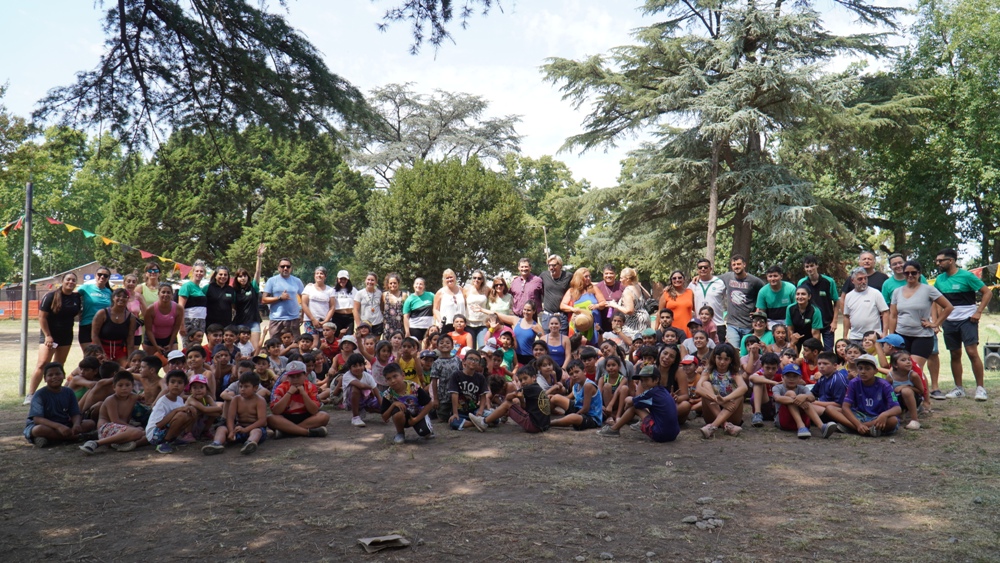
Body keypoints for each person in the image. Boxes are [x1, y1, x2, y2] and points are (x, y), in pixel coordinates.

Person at [934, 248, 993, 401]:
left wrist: (978, 312)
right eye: (937, 261)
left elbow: (987, 292)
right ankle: (959, 388)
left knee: (972, 352)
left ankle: (980, 388)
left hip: (968, 319)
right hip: (949, 321)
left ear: (950, 261)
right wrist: (937, 321)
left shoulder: (967, 276)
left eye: (941, 260)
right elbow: (936, 301)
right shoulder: (940, 279)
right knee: (954, 353)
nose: (938, 263)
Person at [886, 260, 953, 376]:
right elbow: (893, 315)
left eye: (914, 273)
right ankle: (902, 393)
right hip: (901, 335)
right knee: (899, 368)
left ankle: (921, 393)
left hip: (922, 336)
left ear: (919, 273)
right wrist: (891, 335)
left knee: (914, 369)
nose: (910, 276)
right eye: (907, 273)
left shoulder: (928, 290)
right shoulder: (897, 292)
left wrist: (935, 323)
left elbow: (948, 307)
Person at [27, 273, 82, 405]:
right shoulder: (51, 296)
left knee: (58, 366)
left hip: (66, 336)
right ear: (62, 281)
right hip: (50, 336)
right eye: (68, 279)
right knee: (42, 364)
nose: (71, 282)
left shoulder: (76, 297)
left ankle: (54, 394)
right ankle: (31, 394)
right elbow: (42, 317)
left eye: (73, 280)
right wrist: (48, 335)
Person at [597, 365, 680, 442]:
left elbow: (629, 400)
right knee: (640, 405)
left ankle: (614, 429)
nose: (643, 383)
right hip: (673, 434)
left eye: (646, 380)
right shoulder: (662, 390)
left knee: (634, 407)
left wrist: (629, 404)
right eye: (642, 380)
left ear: (656, 380)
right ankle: (641, 423)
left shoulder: (651, 393)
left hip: (660, 434)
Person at [25, 362, 96, 448]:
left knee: (90, 423)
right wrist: (59, 427)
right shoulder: (39, 394)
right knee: (38, 430)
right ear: (45, 379)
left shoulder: (68, 392)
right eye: (50, 375)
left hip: (64, 422)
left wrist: (76, 424)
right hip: (47, 425)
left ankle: (51, 439)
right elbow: (37, 419)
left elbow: (75, 413)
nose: (54, 377)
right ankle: (74, 437)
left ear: (64, 375)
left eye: (58, 374)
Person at [469, 365, 551, 434]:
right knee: (512, 403)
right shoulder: (537, 388)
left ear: (534, 378)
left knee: (507, 404)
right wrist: (522, 399)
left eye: (525, 378)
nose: (522, 382)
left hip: (534, 426)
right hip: (543, 426)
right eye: (521, 380)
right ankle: (492, 419)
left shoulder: (529, 388)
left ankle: (483, 422)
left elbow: (508, 397)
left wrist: (513, 398)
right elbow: (524, 407)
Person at [834, 354, 901, 436]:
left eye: (867, 369)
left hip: (877, 417)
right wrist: (858, 424)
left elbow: (897, 408)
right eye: (860, 368)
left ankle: (851, 428)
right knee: (831, 409)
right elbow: (845, 406)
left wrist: (884, 414)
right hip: (859, 415)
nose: (863, 371)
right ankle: (864, 429)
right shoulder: (853, 383)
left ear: (875, 371)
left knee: (893, 420)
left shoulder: (885, 385)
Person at [203, 370, 268, 455]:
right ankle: (217, 443)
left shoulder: (260, 400)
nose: (242, 389)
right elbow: (230, 417)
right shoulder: (236, 399)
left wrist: (246, 429)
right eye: (241, 386)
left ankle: (249, 443)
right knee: (221, 428)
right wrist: (231, 431)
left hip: (253, 428)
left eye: (246, 386)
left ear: (255, 388)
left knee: (257, 431)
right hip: (239, 428)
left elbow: (262, 421)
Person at [80, 371, 146, 454]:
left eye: (127, 385)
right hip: (107, 428)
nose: (124, 388)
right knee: (138, 432)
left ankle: (128, 444)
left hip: (123, 429)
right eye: (120, 385)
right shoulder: (111, 400)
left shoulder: (133, 397)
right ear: (114, 387)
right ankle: (96, 443)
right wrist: (134, 428)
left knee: (148, 434)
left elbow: (145, 400)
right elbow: (115, 420)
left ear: (132, 386)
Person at [771, 364, 837, 439]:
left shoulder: (802, 388)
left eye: (795, 376)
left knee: (806, 398)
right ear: (782, 377)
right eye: (788, 376)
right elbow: (777, 398)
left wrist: (804, 397)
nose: (791, 379)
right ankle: (800, 426)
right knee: (790, 393)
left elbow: (812, 398)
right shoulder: (777, 387)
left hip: (803, 420)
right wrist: (797, 400)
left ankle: (821, 427)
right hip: (784, 421)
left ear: (800, 378)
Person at [267, 362, 330, 438]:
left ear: (305, 375)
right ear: (287, 377)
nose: (295, 380)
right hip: (286, 417)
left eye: (298, 376)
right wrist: (289, 393)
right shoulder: (281, 388)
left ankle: (287, 432)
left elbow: (314, 411)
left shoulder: (311, 387)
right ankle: (307, 432)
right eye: (292, 377)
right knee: (270, 419)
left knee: (324, 416)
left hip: (306, 417)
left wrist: (303, 393)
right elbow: (276, 411)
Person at [697, 343, 746, 438]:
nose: (722, 362)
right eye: (719, 358)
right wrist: (716, 399)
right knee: (706, 385)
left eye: (726, 359)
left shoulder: (734, 372)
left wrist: (725, 400)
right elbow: (698, 389)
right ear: (714, 358)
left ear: (731, 360)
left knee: (739, 394)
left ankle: (713, 426)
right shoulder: (708, 371)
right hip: (712, 412)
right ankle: (725, 425)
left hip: (731, 413)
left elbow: (744, 387)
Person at [381, 363, 435, 443]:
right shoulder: (388, 394)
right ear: (386, 381)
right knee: (397, 413)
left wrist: (416, 419)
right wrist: (393, 404)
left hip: (418, 414)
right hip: (403, 417)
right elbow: (384, 417)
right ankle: (400, 433)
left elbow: (429, 404)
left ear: (403, 375)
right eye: (389, 379)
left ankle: (425, 426)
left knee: (425, 433)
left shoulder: (414, 387)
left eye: (395, 376)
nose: (393, 381)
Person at [145, 370, 197, 454]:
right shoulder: (162, 401)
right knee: (181, 415)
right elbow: (159, 424)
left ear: (184, 386)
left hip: (164, 431)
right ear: (168, 385)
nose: (176, 385)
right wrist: (176, 410)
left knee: (190, 414)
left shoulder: (179, 399)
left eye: (180, 382)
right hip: (155, 435)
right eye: (172, 382)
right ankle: (164, 443)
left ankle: (173, 439)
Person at [720, 254, 765, 349]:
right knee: (733, 351)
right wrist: (698, 277)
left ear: (744, 264)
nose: (736, 266)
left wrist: (758, 311)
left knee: (749, 352)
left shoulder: (754, 281)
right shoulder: (727, 277)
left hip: (749, 325)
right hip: (732, 324)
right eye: (734, 264)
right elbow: (712, 279)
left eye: (739, 264)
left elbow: (765, 293)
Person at [797, 255, 839, 351]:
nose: (810, 269)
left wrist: (834, 321)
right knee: (811, 351)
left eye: (812, 266)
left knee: (828, 351)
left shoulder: (829, 281)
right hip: (810, 324)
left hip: (827, 323)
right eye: (807, 267)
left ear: (817, 266)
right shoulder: (801, 283)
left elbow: (836, 302)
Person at [549, 359, 604, 430]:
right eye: (571, 374)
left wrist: (574, 415)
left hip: (591, 417)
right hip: (579, 409)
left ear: (584, 372)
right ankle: (543, 416)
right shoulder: (576, 385)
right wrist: (552, 396)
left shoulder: (588, 385)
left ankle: (549, 423)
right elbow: (568, 397)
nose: (574, 375)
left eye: (577, 372)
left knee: (573, 417)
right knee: (555, 398)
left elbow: (585, 409)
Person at [841, 267, 889, 345]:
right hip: (855, 337)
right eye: (860, 279)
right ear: (852, 281)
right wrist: (845, 336)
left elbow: (885, 312)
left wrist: (885, 333)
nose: (864, 281)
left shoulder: (875, 293)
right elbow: (846, 317)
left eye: (865, 278)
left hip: (873, 337)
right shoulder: (849, 296)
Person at [91, 288, 138, 366]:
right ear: (113, 298)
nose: (121, 298)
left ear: (127, 299)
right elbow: (94, 335)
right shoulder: (102, 313)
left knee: (126, 369)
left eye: (124, 297)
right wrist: (103, 354)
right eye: (118, 296)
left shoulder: (131, 317)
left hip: (120, 349)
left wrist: (130, 359)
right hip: (101, 348)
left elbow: (130, 339)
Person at [232, 244, 266, 352]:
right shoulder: (234, 292)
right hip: (240, 322)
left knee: (255, 348)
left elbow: (258, 272)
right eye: (240, 276)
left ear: (248, 277)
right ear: (236, 278)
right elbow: (233, 307)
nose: (243, 278)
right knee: (240, 349)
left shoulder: (253, 287)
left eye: (245, 276)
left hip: (253, 321)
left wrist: (259, 257)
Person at [560, 267, 606, 345]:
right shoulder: (571, 291)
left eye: (589, 276)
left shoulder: (594, 288)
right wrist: (572, 309)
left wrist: (596, 306)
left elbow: (603, 303)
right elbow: (562, 306)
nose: (588, 278)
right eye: (586, 276)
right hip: (579, 323)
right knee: (578, 345)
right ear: (579, 278)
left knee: (595, 345)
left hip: (594, 323)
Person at [262, 257, 305, 338]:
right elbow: (264, 300)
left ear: (291, 268)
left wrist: (302, 315)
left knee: (294, 346)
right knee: (274, 347)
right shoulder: (272, 281)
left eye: (288, 266)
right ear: (278, 268)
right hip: (276, 319)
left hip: (293, 319)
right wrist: (279, 298)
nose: (285, 268)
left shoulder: (297, 281)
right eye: (282, 266)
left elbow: (304, 299)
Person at [447, 350, 490, 431]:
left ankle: (477, 421)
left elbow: (483, 396)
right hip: (460, 412)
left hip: (474, 411)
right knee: (453, 422)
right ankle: (478, 423)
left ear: (479, 364)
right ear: (464, 361)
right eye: (470, 358)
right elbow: (454, 395)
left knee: (494, 417)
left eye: (476, 360)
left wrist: (480, 412)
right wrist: (455, 413)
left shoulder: (480, 378)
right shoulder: (456, 375)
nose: (473, 362)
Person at [689, 259, 727, 343]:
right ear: (697, 270)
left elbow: (729, 299)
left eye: (705, 267)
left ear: (710, 269)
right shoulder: (693, 284)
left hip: (717, 324)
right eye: (700, 267)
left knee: (718, 352)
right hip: (700, 325)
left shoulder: (719, 283)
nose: (703, 269)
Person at [78, 265, 113, 352]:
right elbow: (71, 297)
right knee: (89, 355)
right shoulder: (85, 288)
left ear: (108, 278)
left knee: (101, 355)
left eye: (105, 275)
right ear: (95, 275)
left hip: (104, 327)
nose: (102, 277)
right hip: (87, 325)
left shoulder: (110, 292)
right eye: (100, 274)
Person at [886, 350, 924, 430]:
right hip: (896, 399)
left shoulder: (913, 375)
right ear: (895, 365)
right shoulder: (890, 376)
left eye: (909, 359)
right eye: (903, 360)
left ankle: (914, 419)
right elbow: (887, 391)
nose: (908, 362)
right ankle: (899, 413)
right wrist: (893, 394)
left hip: (914, 398)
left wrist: (906, 387)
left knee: (906, 391)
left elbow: (921, 391)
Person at [342, 353, 381, 427]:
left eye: (360, 365)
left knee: (384, 404)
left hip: (366, 400)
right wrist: (370, 388)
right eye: (354, 366)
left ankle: (366, 409)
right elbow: (361, 385)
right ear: (350, 368)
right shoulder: (347, 376)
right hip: (350, 402)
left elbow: (377, 392)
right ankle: (355, 417)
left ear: (364, 365)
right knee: (356, 388)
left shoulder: (368, 376)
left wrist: (384, 409)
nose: (358, 368)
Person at [301, 266, 336, 346]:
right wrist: (313, 320)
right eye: (317, 273)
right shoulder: (308, 288)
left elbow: (332, 307)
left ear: (325, 276)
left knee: (325, 344)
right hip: (310, 321)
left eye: (321, 274)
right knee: (312, 344)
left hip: (325, 322)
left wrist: (326, 320)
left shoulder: (330, 290)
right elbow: (304, 304)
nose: (319, 275)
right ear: (314, 276)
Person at [612, 267, 649, 338]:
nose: (620, 280)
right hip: (645, 318)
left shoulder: (628, 291)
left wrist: (615, 305)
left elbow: (630, 311)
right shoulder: (637, 286)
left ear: (628, 279)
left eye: (621, 278)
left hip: (634, 323)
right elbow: (648, 296)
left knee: (633, 343)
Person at [178, 261, 208, 347]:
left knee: (197, 346)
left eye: (201, 271)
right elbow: (180, 307)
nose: (199, 273)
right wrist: (182, 325)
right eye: (197, 271)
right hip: (189, 321)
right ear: (193, 272)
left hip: (201, 321)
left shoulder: (200, 289)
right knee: (188, 346)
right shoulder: (187, 286)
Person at [541, 255, 573, 334]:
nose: (551, 268)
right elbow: (534, 283)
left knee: (562, 343)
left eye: (554, 265)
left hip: (561, 317)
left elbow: (578, 285)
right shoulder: (544, 275)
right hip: (547, 317)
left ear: (560, 265)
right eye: (549, 265)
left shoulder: (568, 276)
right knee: (546, 343)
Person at [659, 270, 696, 337]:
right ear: (671, 280)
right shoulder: (666, 294)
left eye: (679, 278)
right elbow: (659, 313)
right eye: (674, 278)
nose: (677, 280)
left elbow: (695, 310)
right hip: (671, 331)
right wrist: (656, 329)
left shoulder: (690, 292)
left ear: (684, 279)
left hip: (687, 328)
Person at [785, 286, 823, 351]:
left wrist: (816, 349)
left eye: (803, 294)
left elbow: (815, 333)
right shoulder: (790, 308)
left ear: (809, 296)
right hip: (796, 336)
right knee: (791, 354)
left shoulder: (815, 311)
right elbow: (790, 329)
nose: (800, 297)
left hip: (810, 337)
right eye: (798, 294)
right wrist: (792, 341)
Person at [433, 269, 466, 334]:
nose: (449, 279)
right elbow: (435, 309)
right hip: (447, 324)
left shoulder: (461, 290)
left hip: (460, 324)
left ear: (455, 277)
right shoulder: (440, 292)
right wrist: (440, 321)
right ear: (444, 280)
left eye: (451, 277)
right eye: (447, 278)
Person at [594, 263, 624, 333]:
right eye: (606, 273)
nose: (608, 276)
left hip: (618, 323)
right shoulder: (597, 287)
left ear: (615, 274)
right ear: (603, 274)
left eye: (611, 273)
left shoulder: (621, 286)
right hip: (602, 322)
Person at [403, 277, 435, 342]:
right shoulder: (409, 299)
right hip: (415, 328)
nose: (418, 286)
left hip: (429, 328)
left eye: (421, 284)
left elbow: (436, 309)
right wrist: (407, 332)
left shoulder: (431, 295)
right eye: (416, 284)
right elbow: (406, 317)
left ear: (424, 286)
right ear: (413, 285)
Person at [353, 272, 385, 338]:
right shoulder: (359, 293)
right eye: (368, 279)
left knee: (375, 344)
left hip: (377, 322)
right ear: (365, 280)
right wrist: (359, 325)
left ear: (376, 282)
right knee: (366, 343)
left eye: (372, 280)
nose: (370, 282)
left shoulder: (379, 293)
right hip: (365, 324)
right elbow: (355, 310)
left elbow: (382, 307)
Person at [122, 273, 147, 348]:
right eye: (128, 281)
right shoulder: (118, 295)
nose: (131, 284)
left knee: (134, 354)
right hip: (121, 329)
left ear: (136, 284)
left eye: (133, 282)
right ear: (124, 282)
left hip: (136, 330)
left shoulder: (138, 296)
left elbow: (146, 313)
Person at [382, 273, 409, 341]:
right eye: (390, 283)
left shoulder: (404, 295)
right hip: (388, 327)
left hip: (399, 326)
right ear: (388, 284)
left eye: (395, 283)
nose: (393, 285)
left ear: (398, 283)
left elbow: (406, 312)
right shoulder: (384, 295)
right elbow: (382, 308)